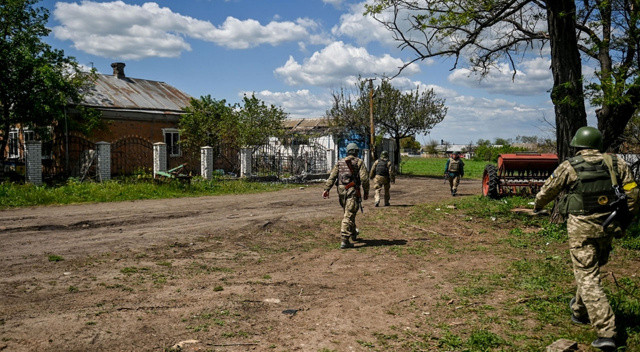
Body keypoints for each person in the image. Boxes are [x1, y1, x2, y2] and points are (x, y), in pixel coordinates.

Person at [534, 126, 639, 351]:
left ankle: (606, 331)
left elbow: (547, 191)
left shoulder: (569, 166)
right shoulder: (616, 163)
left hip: (581, 229)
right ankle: (579, 310)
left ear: (578, 146)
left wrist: (537, 205)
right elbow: (633, 193)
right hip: (608, 226)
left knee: (588, 277)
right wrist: (624, 219)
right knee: (589, 270)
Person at [322, 143, 370, 249]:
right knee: (349, 214)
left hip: (341, 191)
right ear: (356, 151)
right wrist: (366, 191)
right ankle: (344, 239)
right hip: (352, 190)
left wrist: (326, 189)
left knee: (348, 212)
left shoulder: (339, 162)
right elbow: (364, 178)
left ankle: (353, 233)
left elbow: (332, 176)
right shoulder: (359, 162)